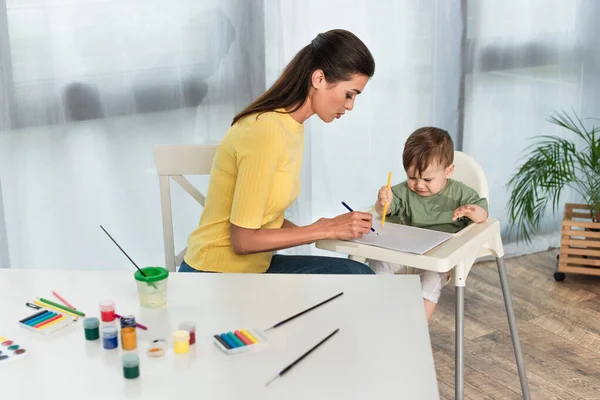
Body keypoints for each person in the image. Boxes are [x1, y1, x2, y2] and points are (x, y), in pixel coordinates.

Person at [180, 29, 376, 274]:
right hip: (217, 273)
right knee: (357, 276)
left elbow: (267, 216)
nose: (349, 105)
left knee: (358, 274)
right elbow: (242, 241)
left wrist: (335, 231)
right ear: (318, 79)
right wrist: (325, 229)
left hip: (255, 268)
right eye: (349, 94)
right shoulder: (266, 132)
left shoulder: (291, 126)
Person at [370, 127, 488, 321]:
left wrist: (471, 211)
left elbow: (483, 215)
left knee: (431, 280)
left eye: (427, 179)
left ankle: (416, 328)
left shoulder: (460, 193)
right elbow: (384, 211)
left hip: (438, 257)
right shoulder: (402, 192)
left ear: (448, 171)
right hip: (404, 250)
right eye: (412, 177)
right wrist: (384, 202)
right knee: (377, 263)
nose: (419, 185)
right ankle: (384, 316)